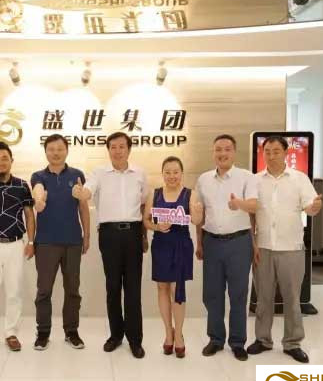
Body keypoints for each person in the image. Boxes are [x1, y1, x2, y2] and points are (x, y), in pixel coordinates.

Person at [247, 136, 322, 363]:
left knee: (292, 299)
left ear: (285, 152)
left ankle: (292, 343)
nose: (271, 156)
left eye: (276, 151)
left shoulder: (299, 179)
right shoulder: (255, 180)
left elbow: (310, 207)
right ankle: (263, 339)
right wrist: (253, 243)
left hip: (292, 248)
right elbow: (251, 214)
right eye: (267, 151)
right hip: (263, 248)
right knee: (263, 298)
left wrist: (315, 206)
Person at [77, 131, 149, 359]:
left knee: (133, 288)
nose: (117, 151)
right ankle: (116, 335)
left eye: (121, 146)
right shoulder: (99, 173)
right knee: (113, 287)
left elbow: (144, 204)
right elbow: (87, 190)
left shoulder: (140, 173)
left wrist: (144, 235)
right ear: (108, 150)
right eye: (113, 147)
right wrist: (80, 193)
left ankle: (135, 340)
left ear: (129, 149)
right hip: (109, 235)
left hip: (134, 233)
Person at [195, 134, 257, 361]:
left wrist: (238, 203)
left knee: (238, 294)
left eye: (227, 149)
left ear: (234, 152)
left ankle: (238, 342)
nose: (222, 153)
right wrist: (199, 242)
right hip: (211, 242)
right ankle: (215, 339)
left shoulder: (247, 177)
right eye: (218, 149)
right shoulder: (203, 179)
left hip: (239, 242)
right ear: (213, 153)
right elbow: (199, 213)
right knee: (212, 294)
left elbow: (255, 206)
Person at [30, 134, 90, 351]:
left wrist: (87, 235)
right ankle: (43, 333)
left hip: (73, 241)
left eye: (60, 149)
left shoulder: (77, 175)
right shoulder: (38, 176)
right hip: (46, 243)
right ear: (46, 151)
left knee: (73, 289)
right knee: (44, 290)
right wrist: (39, 201)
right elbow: (37, 190)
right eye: (51, 149)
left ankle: (71, 332)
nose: (55, 153)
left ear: (67, 151)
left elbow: (83, 206)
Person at [0, 141, 35, 353]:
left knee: (14, 291)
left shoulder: (22, 185)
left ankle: (11, 332)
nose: (0, 162)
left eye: (4, 158)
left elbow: (29, 215)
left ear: (11, 161)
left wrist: (31, 242)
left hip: (16, 244)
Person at [143, 156, 203, 358]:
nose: (172, 176)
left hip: (181, 245)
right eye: (167, 172)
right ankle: (168, 333)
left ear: (181, 173)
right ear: (162, 174)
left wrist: (197, 212)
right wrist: (156, 226)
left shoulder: (190, 194)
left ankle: (179, 335)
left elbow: (196, 220)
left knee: (178, 289)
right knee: (162, 287)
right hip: (161, 244)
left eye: (175, 172)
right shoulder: (155, 194)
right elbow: (146, 221)